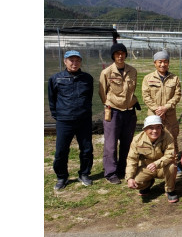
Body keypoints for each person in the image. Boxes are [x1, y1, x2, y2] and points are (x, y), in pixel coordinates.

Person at [48, 50, 94, 190]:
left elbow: (89, 97)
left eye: (77, 60)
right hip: (64, 120)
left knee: (86, 149)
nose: (74, 63)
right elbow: (52, 99)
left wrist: (84, 112)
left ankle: (84, 174)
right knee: (61, 151)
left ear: (80, 62)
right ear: (65, 61)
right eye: (71, 60)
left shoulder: (87, 78)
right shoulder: (56, 78)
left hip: (83, 120)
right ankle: (62, 177)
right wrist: (59, 115)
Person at [99, 42, 139, 184]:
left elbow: (132, 90)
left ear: (126, 55)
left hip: (129, 112)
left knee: (127, 143)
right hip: (113, 111)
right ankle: (111, 172)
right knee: (110, 144)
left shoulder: (132, 71)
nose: (120, 56)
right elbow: (102, 93)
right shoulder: (107, 72)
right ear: (113, 56)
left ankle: (124, 169)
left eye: (122, 53)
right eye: (117, 54)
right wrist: (111, 104)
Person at [125, 115, 178, 203]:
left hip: (162, 167)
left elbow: (170, 155)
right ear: (145, 129)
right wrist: (129, 178)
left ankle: (170, 190)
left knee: (172, 166)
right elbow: (132, 159)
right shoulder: (137, 140)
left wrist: (156, 164)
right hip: (146, 167)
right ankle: (147, 185)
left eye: (158, 127)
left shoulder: (168, 136)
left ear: (161, 127)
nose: (155, 131)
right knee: (136, 182)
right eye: (151, 128)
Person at [142, 50, 182, 153]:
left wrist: (165, 108)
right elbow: (146, 96)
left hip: (169, 114)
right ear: (155, 63)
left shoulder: (174, 78)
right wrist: (157, 110)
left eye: (165, 62)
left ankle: (174, 160)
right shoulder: (148, 78)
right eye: (160, 62)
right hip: (153, 114)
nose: (163, 64)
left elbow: (177, 95)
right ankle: (154, 158)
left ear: (168, 63)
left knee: (171, 136)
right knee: (153, 136)